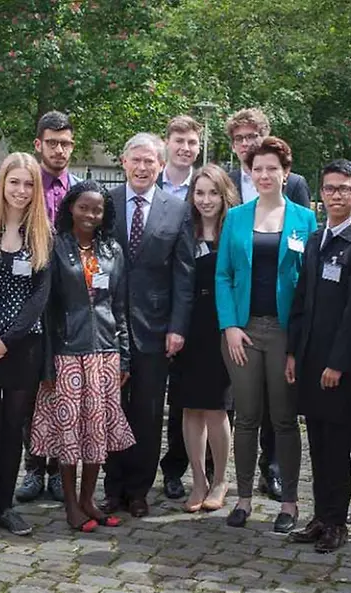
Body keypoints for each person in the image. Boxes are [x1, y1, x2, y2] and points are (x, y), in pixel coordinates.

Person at [216, 136, 317, 533]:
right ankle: (242, 499)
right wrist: (229, 326)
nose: (264, 175)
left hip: (282, 333)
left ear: (285, 172)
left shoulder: (304, 219)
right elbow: (223, 274)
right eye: (257, 168)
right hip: (242, 331)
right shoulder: (236, 217)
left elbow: (308, 286)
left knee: (285, 419)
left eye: (272, 168)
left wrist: (297, 344)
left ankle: (289, 503)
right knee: (246, 418)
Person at [31, 180, 135, 531]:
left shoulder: (113, 251)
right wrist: (46, 363)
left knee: (97, 432)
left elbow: (119, 306)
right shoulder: (56, 248)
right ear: (70, 208)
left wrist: (124, 356)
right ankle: (71, 506)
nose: (90, 215)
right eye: (84, 207)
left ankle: (90, 499)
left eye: (97, 209)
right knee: (70, 433)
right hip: (67, 353)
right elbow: (46, 311)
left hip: (104, 353)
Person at [101, 133, 195, 519]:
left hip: (155, 329)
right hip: (106, 324)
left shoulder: (177, 209)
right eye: (135, 161)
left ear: (161, 166)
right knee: (111, 408)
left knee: (147, 411)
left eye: (149, 162)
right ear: (123, 162)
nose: (142, 168)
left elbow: (184, 273)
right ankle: (113, 486)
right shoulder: (104, 205)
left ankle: (139, 489)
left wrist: (177, 326)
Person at [286, 160, 351, 552]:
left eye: (344, 189)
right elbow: (302, 300)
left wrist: (338, 363)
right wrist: (293, 352)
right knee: (318, 444)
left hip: (338, 368)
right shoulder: (316, 239)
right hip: (310, 360)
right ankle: (321, 515)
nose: (336, 195)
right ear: (321, 194)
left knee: (338, 445)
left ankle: (337, 521)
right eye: (329, 189)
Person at [0, 153, 52, 537]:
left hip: (23, 347)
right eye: (14, 182)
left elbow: (39, 297)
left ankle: (6, 505)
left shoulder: (43, 236)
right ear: (1, 184)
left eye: (29, 184)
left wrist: (7, 340)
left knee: (14, 426)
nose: (21, 191)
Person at [17, 110, 80, 504]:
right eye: (53, 143)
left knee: (60, 388)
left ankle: (58, 467)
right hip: (28, 297)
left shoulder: (78, 188)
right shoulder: (25, 186)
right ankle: (33, 467)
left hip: (68, 303)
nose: (60, 150)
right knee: (30, 389)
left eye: (66, 143)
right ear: (39, 144)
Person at [166, 164, 236, 513]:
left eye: (212, 193)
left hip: (221, 327)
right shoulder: (184, 231)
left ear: (225, 196)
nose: (205, 200)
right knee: (189, 406)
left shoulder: (234, 231)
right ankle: (198, 480)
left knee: (216, 407)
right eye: (199, 193)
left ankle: (221, 478)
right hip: (187, 327)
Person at [157, 115, 204, 500]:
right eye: (179, 141)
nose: (185, 148)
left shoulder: (203, 189)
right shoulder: (148, 181)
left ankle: (180, 468)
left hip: (189, 304)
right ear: (166, 143)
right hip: (147, 309)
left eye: (192, 142)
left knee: (185, 397)